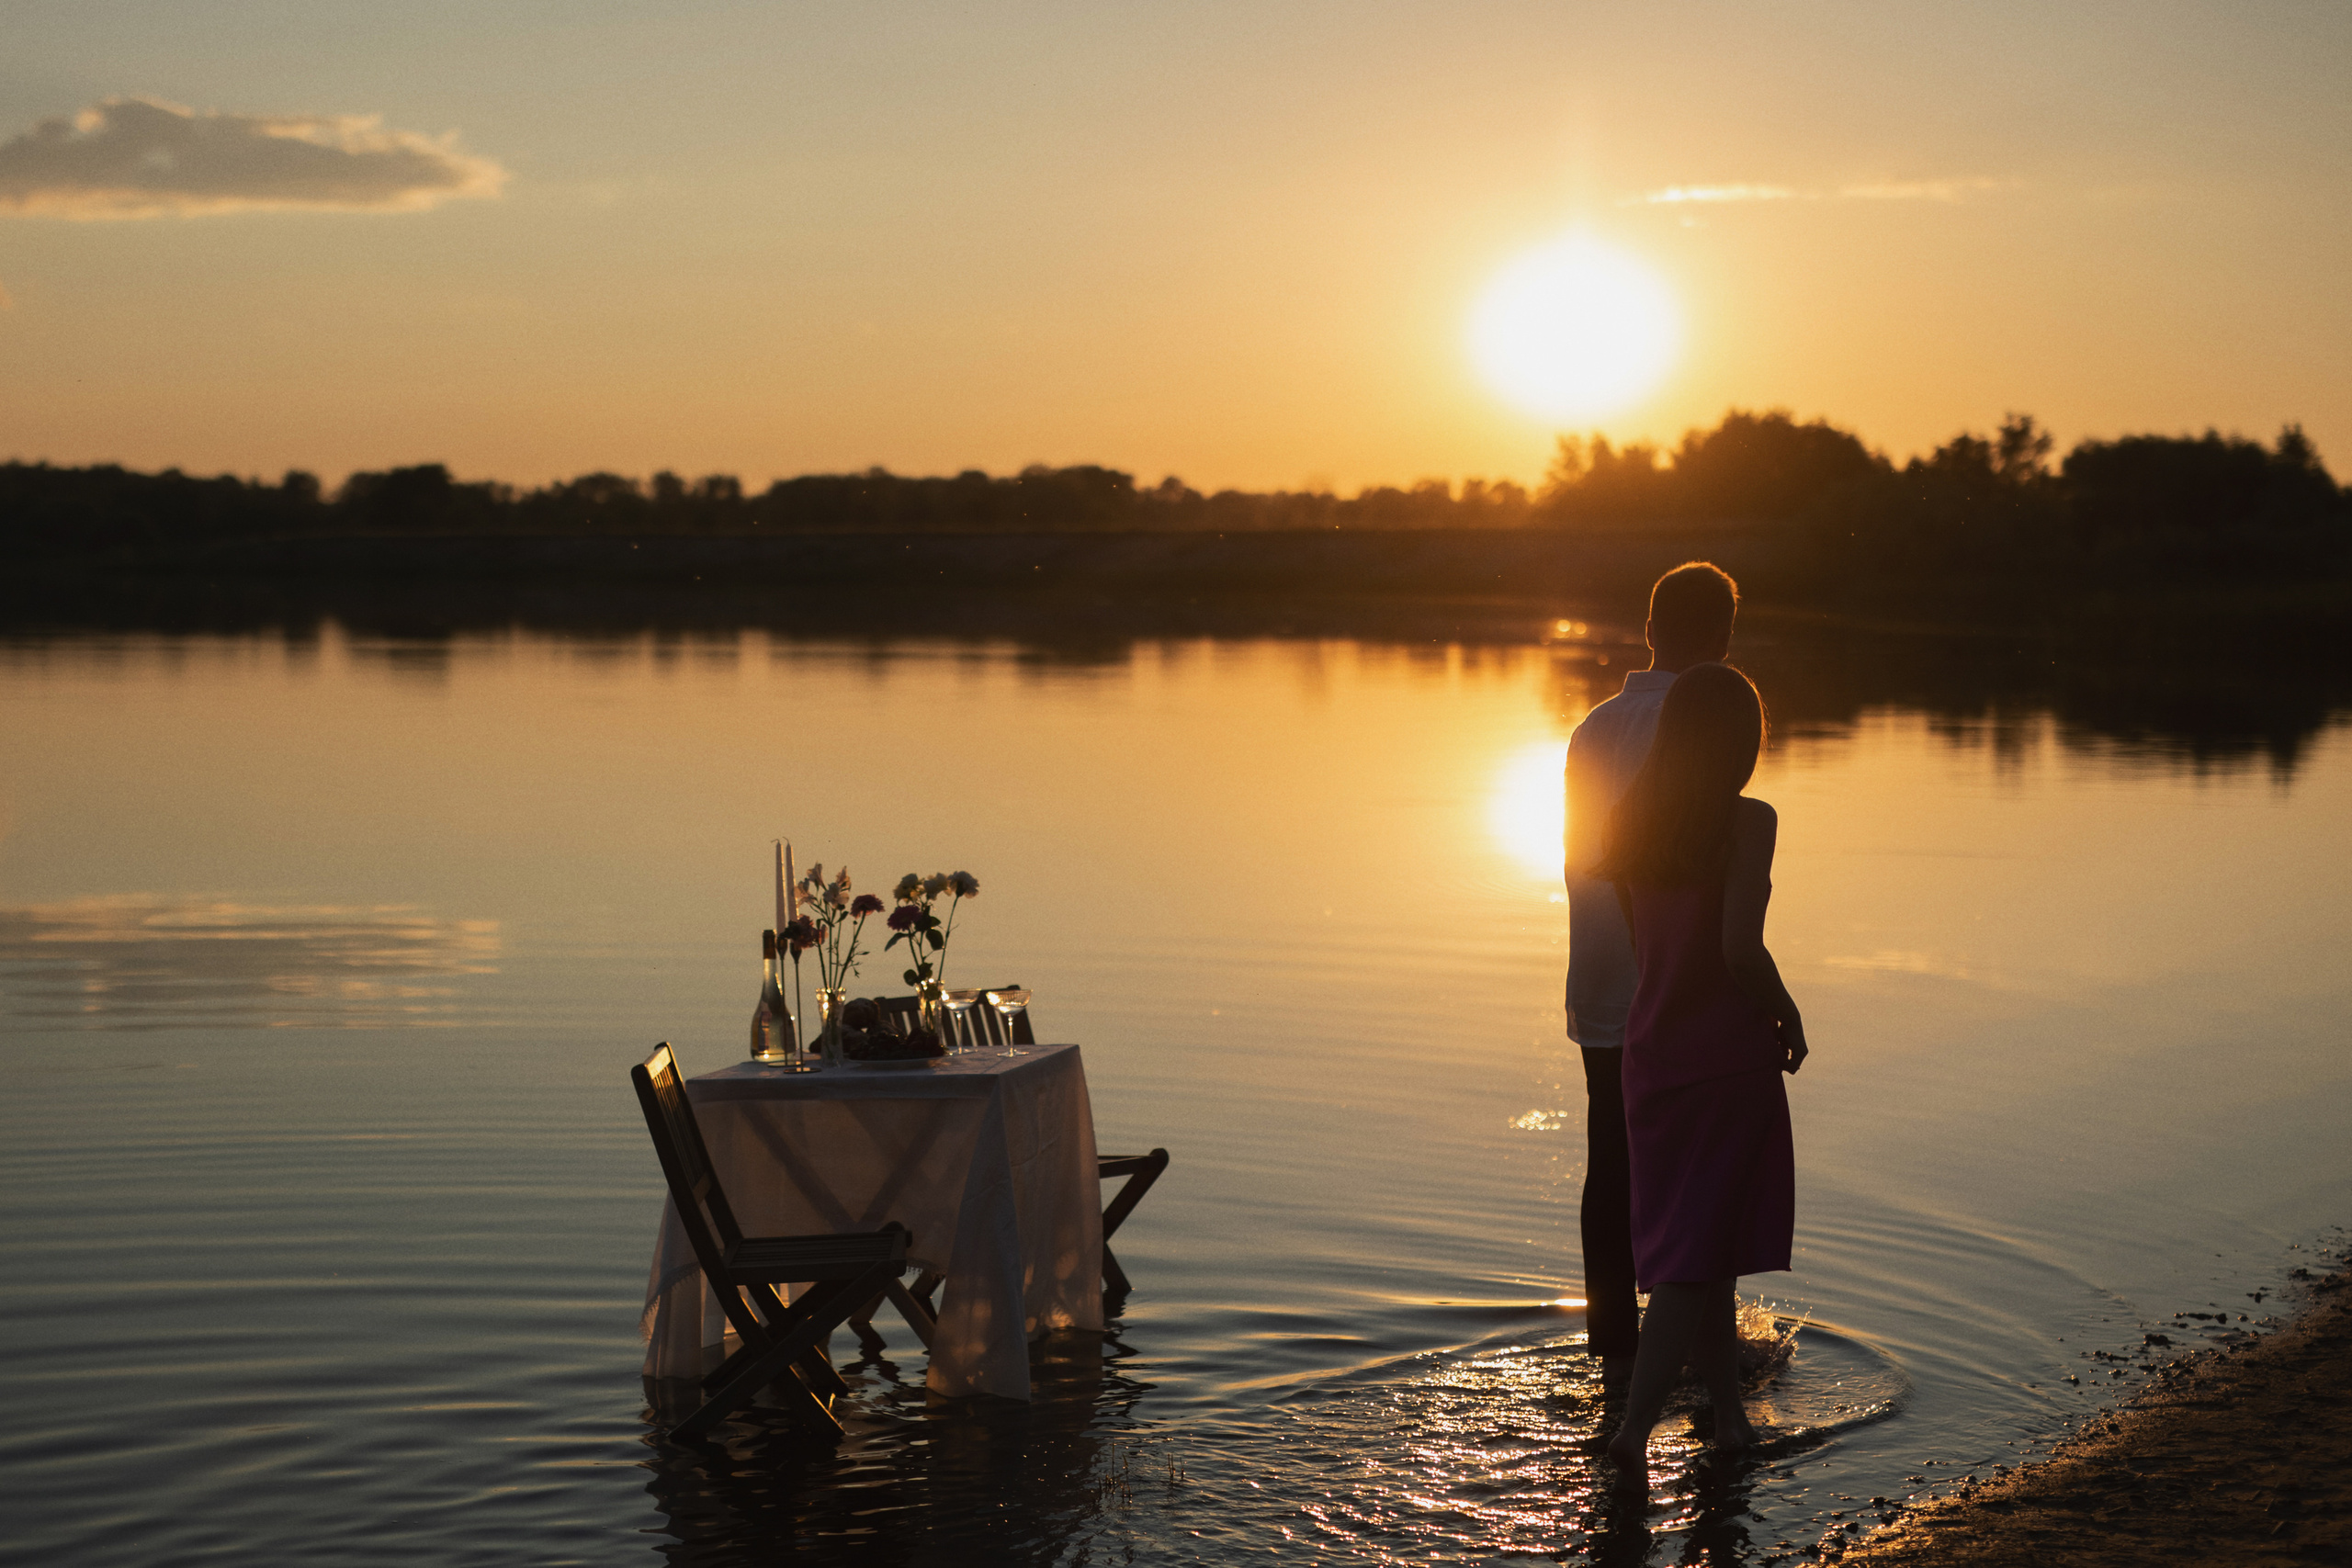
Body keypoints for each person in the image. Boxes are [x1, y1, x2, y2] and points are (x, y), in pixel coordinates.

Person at [1591, 660, 1807, 1495]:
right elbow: (1737, 949)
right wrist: (1786, 1007)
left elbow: (1652, 952)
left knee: (1706, 1247)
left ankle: (1728, 1414)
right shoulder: (1748, 821)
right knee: (1691, 1259)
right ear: (1740, 740)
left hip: (1652, 1050)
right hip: (1725, 1054)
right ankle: (1633, 1432)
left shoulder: (1629, 819)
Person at [1563, 562, 1740, 1382]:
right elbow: (1705, 863)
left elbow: (1579, 856)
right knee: (1697, 1164)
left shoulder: (1595, 724)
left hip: (1600, 973)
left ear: (1648, 629)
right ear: (1723, 639)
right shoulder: (1706, 720)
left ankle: (1614, 1349)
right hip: (1676, 977)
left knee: (1612, 1156)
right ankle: (1701, 1359)